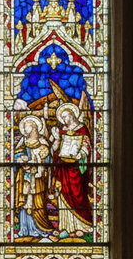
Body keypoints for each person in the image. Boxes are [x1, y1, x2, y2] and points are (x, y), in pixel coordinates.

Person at [49, 101, 93, 237]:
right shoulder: (62, 131)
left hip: (76, 168)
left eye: (66, 116)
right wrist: (56, 140)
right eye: (63, 118)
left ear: (73, 115)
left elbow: (87, 146)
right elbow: (54, 151)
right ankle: (66, 226)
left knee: (78, 194)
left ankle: (83, 225)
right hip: (63, 169)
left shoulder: (82, 129)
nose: (65, 119)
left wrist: (81, 154)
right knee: (63, 194)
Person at [13, 114, 53, 240]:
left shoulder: (42, 142)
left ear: (35, 127)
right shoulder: (22, 142)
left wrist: (42, 157)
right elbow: (15, 156)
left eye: (29, 125)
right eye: (25, 126)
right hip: (25, 177)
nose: (27, 128)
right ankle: (24, 229)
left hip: (38, 177)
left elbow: (48, 158)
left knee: (38, 202)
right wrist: (20, 158)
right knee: (25, 202)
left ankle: (40, 228)